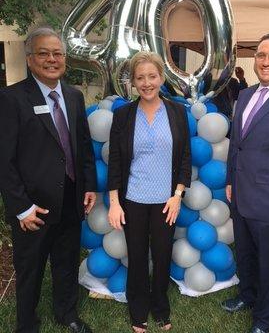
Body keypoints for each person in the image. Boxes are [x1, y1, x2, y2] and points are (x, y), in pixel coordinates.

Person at [0, 27, 97, 333]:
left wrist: (90, 185)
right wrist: (21, 207)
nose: (52, 59)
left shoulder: (74, 96)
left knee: (66, 262)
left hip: (71, 197)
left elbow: (83, 145)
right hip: (34, 207)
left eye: (58, 53)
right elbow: (4, 160)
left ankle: (66, 313)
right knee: (30, 269)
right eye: (43, 53)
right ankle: (26, 324)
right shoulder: (11, 98)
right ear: (30, 59)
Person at [107, 51, 191, 333]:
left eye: (151, 76)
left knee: (163, 254)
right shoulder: (123, 115)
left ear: (161, 77)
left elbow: (185, 159)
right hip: (133, 200)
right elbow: (116, 162)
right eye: (140, 77)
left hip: (166, 201)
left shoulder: (178, 112)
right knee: (138, 255)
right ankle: (138, 310)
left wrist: (178, 195)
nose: (146, 83)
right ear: (132, 81)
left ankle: (160, 307)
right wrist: (114, 203)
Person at [222, 32, 269, 333]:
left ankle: (264, 320)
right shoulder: (244, 95)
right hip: (240, 195)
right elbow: (236, 144)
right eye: (260, 55)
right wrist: (230, 179)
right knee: (244, 254)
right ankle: (247, 295)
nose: (265, 62)